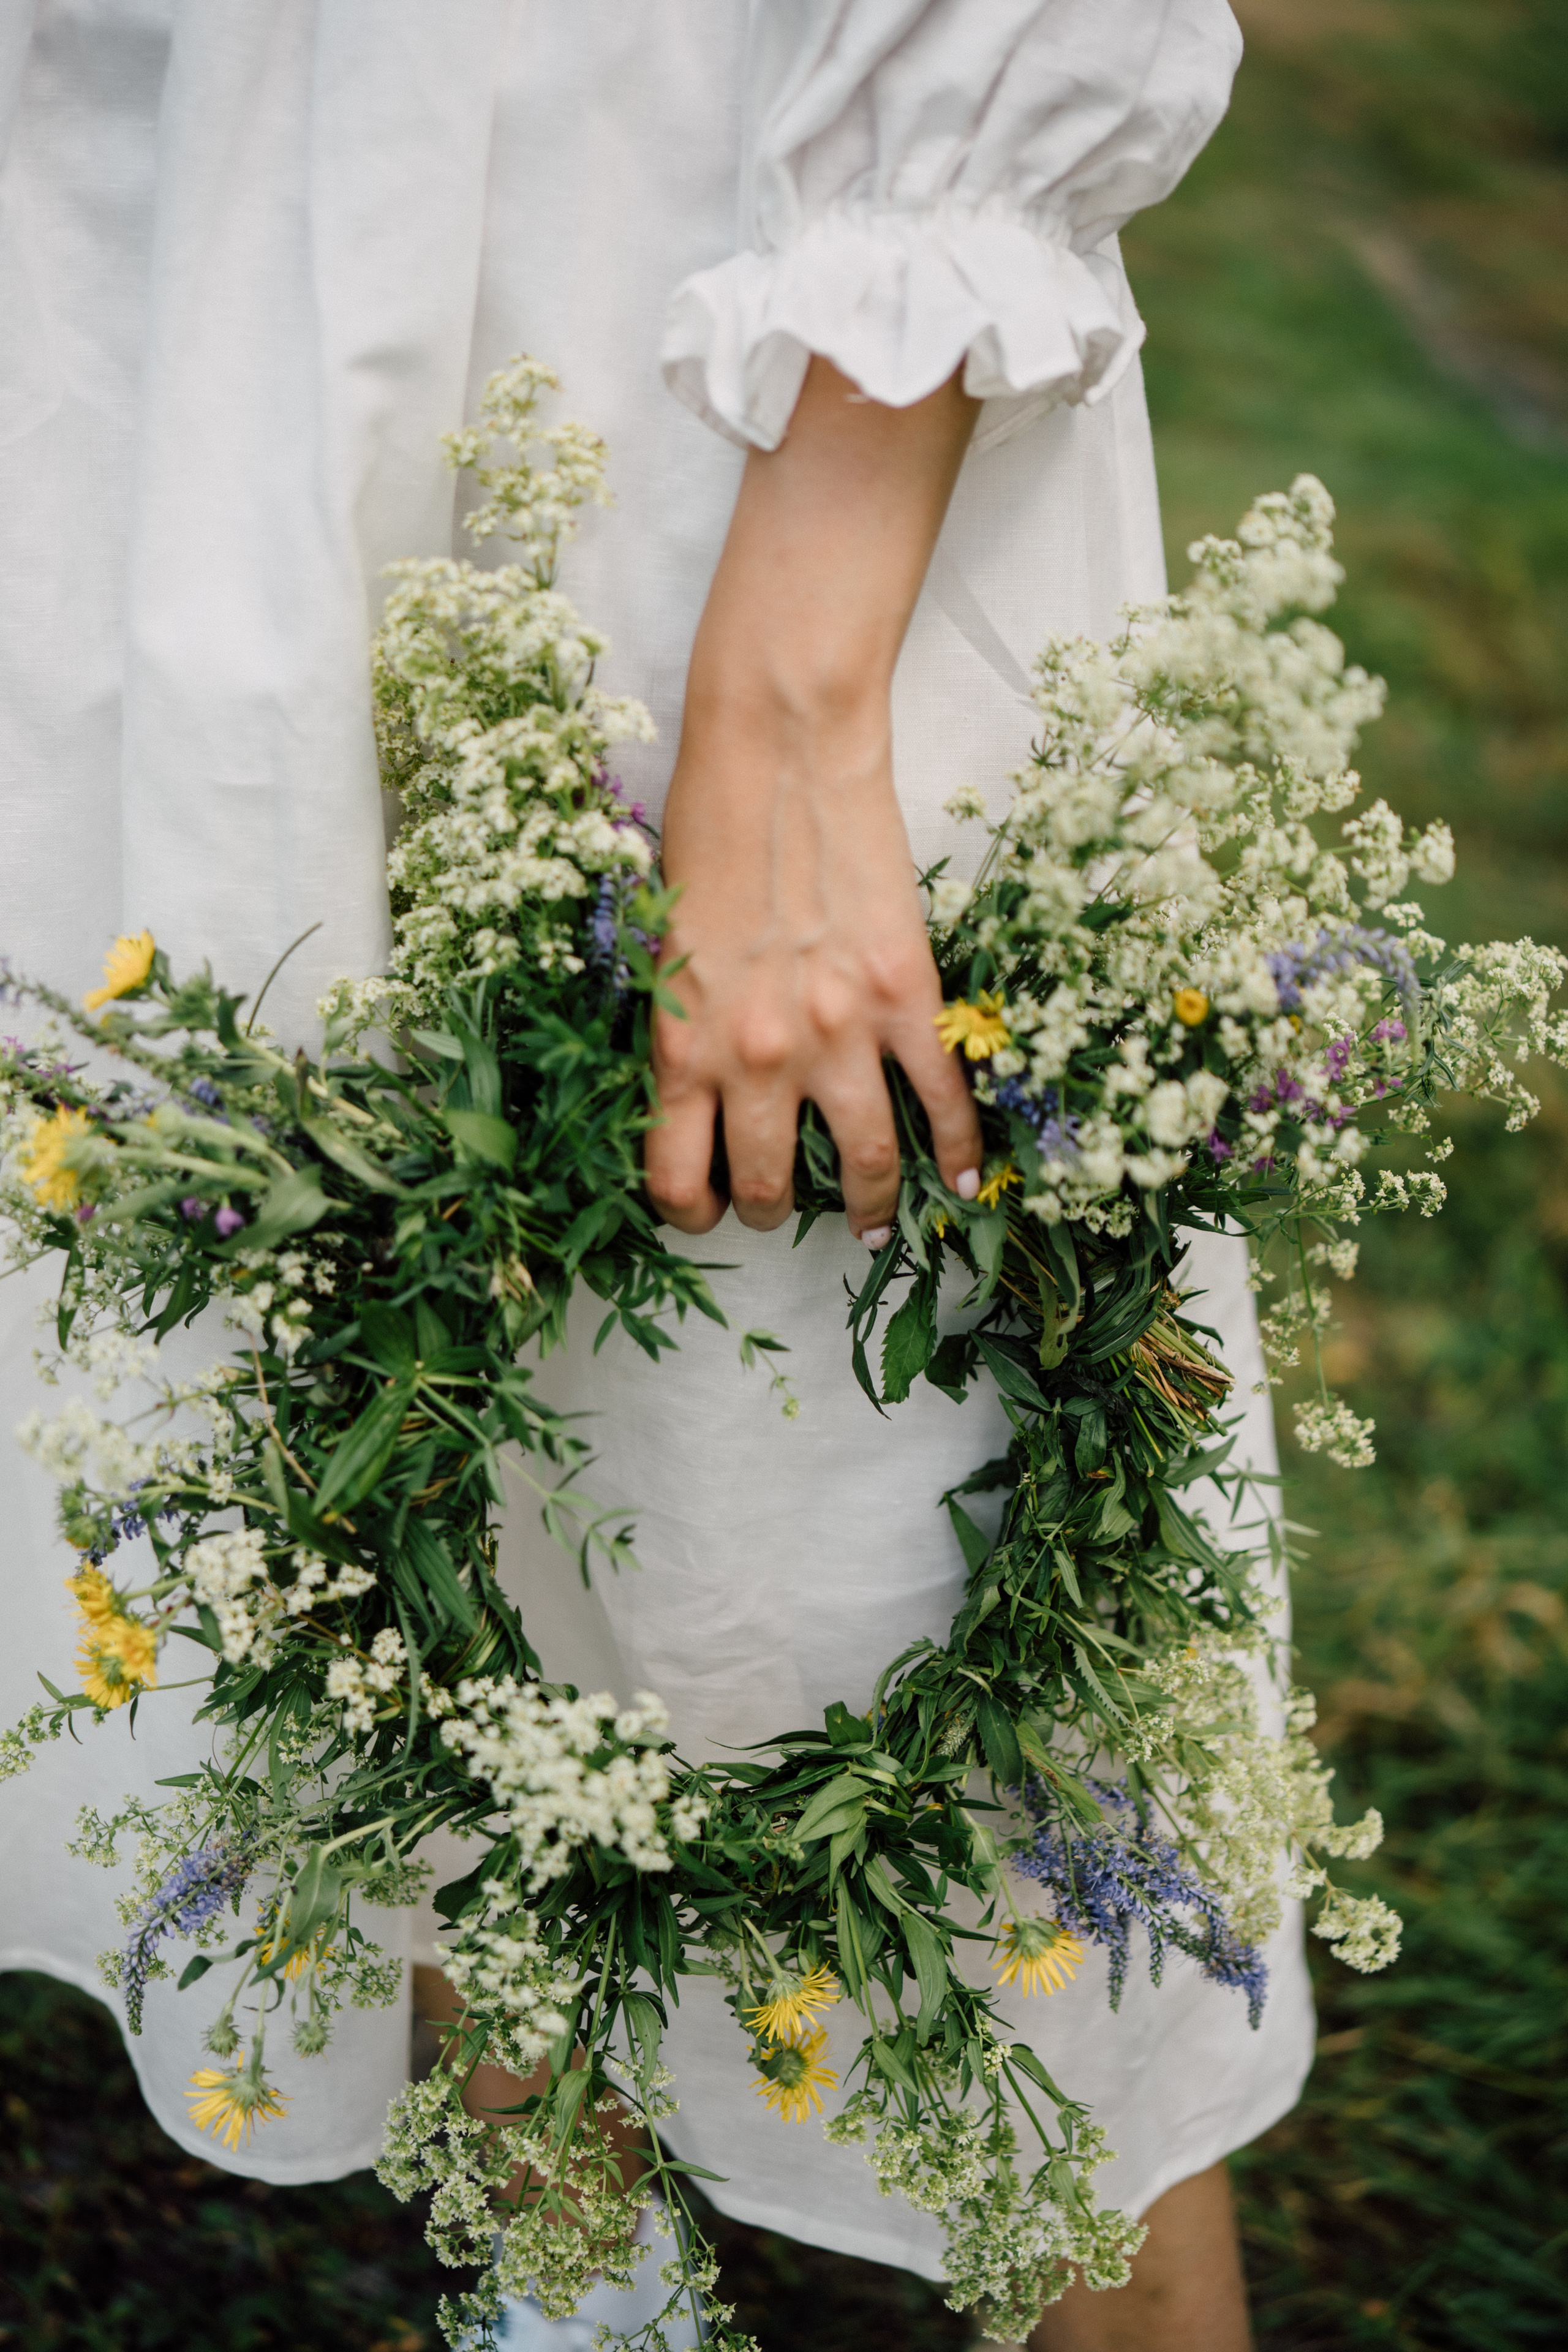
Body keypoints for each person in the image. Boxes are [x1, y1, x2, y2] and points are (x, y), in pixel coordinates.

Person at [0, 7, 1311, 2347]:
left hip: (713, 331)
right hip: (167, 302)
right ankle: (576, 2291)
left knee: (885, 1539)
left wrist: (792, 697)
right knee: (404, 1530)